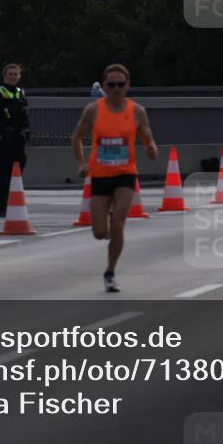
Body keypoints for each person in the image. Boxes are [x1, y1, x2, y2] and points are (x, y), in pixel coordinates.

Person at [71, 64, 158, 293]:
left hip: (126, 174)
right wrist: (81, 163)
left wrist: (151, 147)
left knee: (119, 223)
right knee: (100, 232)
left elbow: (147, 133)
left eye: (121, 84)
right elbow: (76, 136)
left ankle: (110, 272)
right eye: (112, 85)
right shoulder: (93, 110)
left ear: (128, 85)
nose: (117, 89)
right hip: (100, 174)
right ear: (105, 86)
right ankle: (107, 222)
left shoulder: (137, 110)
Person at [0, 63, 30, 217]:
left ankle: (15, 206)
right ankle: (3, 209)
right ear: (5, 76)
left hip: (18, 140)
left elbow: (25, 116)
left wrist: (26, 132)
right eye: (10, 74)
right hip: (4, 140)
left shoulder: (20, 92)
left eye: (16, 74)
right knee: (2, 175)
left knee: (17, 173)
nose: (13, 77)